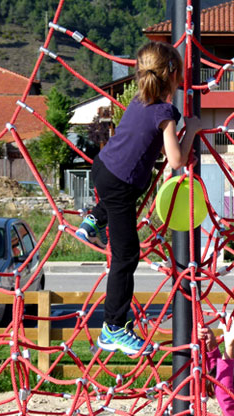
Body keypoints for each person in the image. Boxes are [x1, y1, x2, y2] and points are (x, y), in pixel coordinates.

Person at [75, 41, 202, 356]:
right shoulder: (165, 112)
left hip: (104, 170)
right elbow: (175, 161)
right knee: (126, 257)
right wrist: (193, 130)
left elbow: (147, 142)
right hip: (119, 186)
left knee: (118, 205)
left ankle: (93, 217)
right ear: (172, 75)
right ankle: (113, 328)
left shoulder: (139, 102)